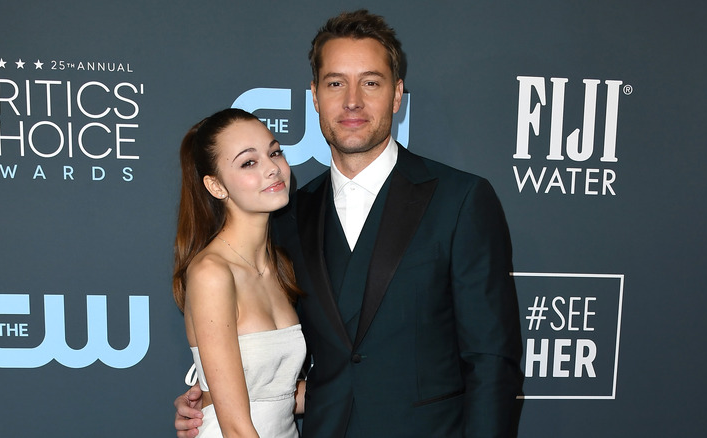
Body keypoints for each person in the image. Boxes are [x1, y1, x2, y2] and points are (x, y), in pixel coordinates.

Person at [176, 10, 523, 437]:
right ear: (315, 96)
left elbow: (491, 359)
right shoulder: (288, 215)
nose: (352, 100)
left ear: (397, 96)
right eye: (336, 82)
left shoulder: (461, 199)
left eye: (371, 82)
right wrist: (213, 398)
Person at [173, 108, 307, 437]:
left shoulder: (281, 266)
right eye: (249, 162)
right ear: (216, 186)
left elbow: (278, 396)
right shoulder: (211, 272)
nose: (273, 168)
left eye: (274, 152)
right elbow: (235, 426)